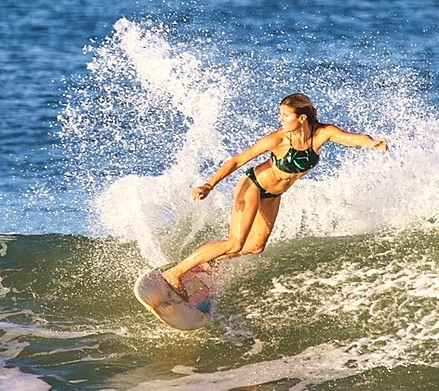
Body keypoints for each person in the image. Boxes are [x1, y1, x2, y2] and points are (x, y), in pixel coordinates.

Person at [161, 93, 389, 292]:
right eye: (280, 114)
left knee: (255, 247)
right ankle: (176, 272)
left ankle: (211, 263)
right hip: (254, 186)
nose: (281, 119)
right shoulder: (278, 139)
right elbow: (238, 159)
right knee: (235, 242)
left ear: (302, 118)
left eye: (285, 115)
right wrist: (209, 185)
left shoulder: (321, 134)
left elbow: (351, 138)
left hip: (273, 195)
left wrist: (372, 143)